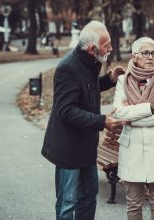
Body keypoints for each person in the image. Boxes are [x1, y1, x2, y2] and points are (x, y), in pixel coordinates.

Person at [41, 20, 127, 220]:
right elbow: (66, 110)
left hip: (86, 147)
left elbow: (85, 88)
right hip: (68, 150)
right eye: (107, 45)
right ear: (91, 48)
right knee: (67, 202)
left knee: (89, 195)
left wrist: (109, 80)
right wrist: (101, 121)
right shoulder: (68, 68)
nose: (111, 48)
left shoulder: (89, 62)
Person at [112, 37, 154, 220]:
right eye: (145, 53)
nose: (150, 57)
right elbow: (118, 114)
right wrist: (149, 108)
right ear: (134, 56)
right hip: (132, 149)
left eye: (153, 53)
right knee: (133, 203)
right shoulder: (122, 81)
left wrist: (132, 117)